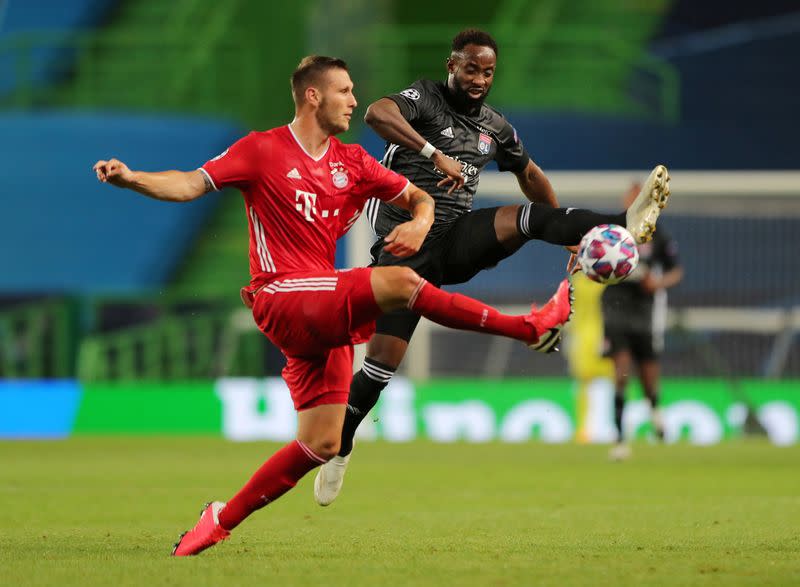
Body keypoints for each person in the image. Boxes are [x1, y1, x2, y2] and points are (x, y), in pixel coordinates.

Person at [93, 55, 573, 556]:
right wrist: (133, 179)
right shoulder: (260, 150)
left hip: (320, 310)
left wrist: (421, 220)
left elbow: (418, 197)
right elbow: (191, 183)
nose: (354, 100)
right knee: (401, 282)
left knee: (321, 443)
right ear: (313, 96)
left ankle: (218, 519)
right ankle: (528, 328)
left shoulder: (354, 162)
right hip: (280, 294)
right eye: (345, 91)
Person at [314, 28, 671, 505]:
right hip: (404, 249)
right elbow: (379, 113)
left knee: (526, 218)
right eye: (471, 68)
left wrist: (568, 234)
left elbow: (530, 175)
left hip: (458, 241)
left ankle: (620, 222)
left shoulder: (495, 128)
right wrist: (432, 153)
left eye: (488, 72)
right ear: (452, 65)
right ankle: (342, 448)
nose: (480, 78)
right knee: (380, 367)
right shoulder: (425, 99)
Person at [605, 182, 683, 461]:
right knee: (622, 370)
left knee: (649, 376)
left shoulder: (657, 235)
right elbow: (592, 254)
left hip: (643, 310)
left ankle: (656, 413)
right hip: (615, 307)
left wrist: (659, 283)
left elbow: (677, 271)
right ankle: (619, 438)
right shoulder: (614, 229)